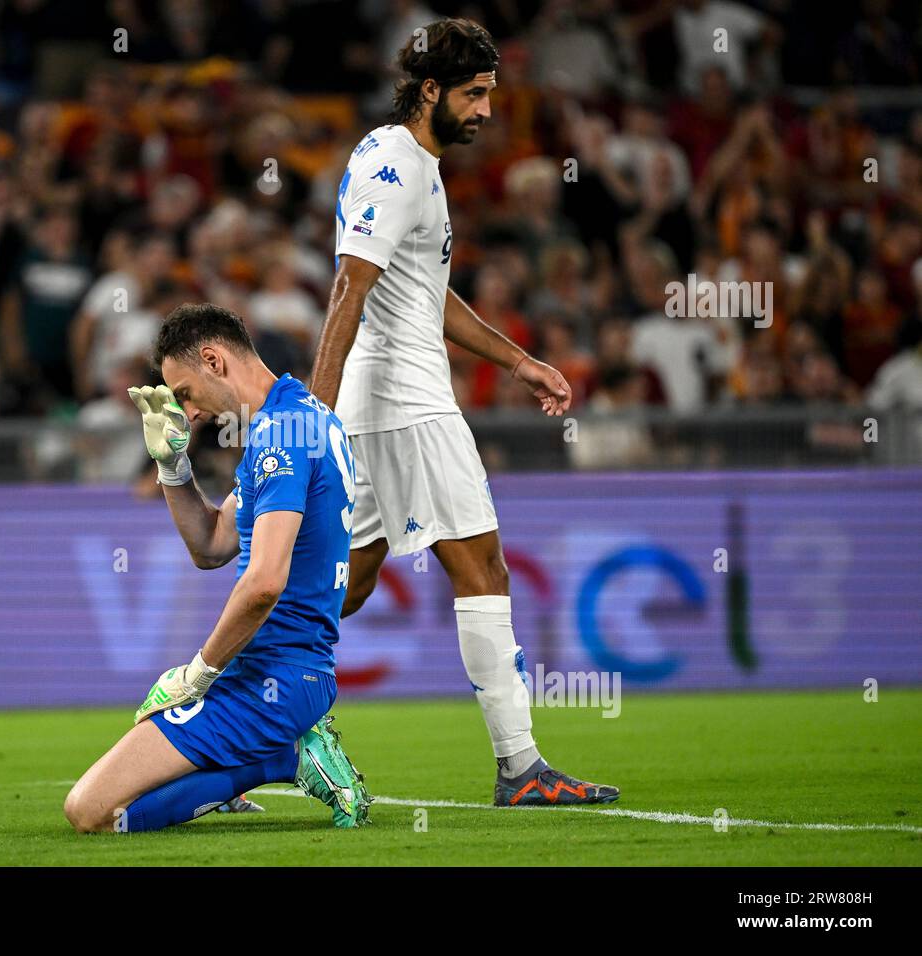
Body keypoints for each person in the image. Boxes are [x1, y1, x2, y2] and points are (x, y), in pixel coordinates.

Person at [310, 17, 618, 807]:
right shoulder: (398, 164)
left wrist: (516, 359)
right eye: (475, 94)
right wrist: (313, 409)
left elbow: (422, 293)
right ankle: (520, 767)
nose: (486, 110)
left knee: (342, 580)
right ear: (432, 90)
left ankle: (221, 715)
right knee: (482, 567)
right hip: (405, 401)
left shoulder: (411, 162)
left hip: (379, 400)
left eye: (491, 93)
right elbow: (351, 285)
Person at [64, 303, 371, 832]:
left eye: (184, 393)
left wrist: (197, 673)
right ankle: (264, 755)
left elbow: (264, 585)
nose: (190, 411)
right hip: (275, 672)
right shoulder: (297, 419)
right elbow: (211, 545)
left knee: (91, 812)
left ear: (213, 359)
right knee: (126, 787)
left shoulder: (281, 437)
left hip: (272, 677)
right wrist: (172, 467)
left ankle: (286, 756)